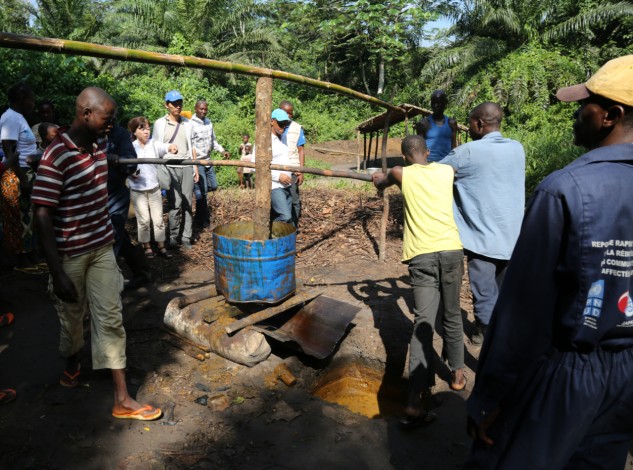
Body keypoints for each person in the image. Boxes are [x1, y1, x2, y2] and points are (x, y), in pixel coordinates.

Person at [465, 55, 633, 470]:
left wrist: (490, 397)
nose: (576, 115)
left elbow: (523, 315)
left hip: (569, 372)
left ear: (610, 115)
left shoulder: (566, 190)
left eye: (585, 105)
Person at [32, 86, 161, 420]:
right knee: (72, 321)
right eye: (107, 117)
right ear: (86, 114)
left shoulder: (101, 145)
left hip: (102, 248)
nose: (111, 124)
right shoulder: (56, 155)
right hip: (71, 255)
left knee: (110, 317)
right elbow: (42, 214)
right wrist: (57, 271)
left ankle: (122, 398)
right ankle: (72, 363)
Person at [372, 134, 465, 429]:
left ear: (404, 157)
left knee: (423, 322)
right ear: (427, 153)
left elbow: (380, 182)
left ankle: (414, 401)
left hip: (422, 256)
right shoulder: (447, 170)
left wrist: (378, 177)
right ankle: (458, 373)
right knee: (451, 313)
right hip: (452, 250)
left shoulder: (400, 173)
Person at [440, 103, 525, 345]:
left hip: (482, 240)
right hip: (512, 237)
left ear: (479, 123)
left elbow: (431, 176)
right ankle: (486, 331)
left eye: (470, 123)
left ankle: (492, 347)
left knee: (485, 295)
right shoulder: (517, 149)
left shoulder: (467, 152)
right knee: (504, 292)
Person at [0, 82, 40, 273]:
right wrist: (23, 180)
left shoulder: (19, 118)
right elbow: (10, 151)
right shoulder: (10, 118)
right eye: (31, 98)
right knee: (18, 217)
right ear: (23, 99)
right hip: (17, 174)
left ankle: (30, 255)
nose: (33, 102)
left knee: (28, 216)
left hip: (25, 172)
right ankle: (21, 260)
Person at [152, 90, 199, 249]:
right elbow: (156, 147)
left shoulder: (188, 123)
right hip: (168, 166)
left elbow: (191, 146)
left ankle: (186, 236)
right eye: (174, 103)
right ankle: (173, 236)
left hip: (185, 165)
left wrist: (195, 167)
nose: (178, 106)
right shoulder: (160, 123)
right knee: (175, 203)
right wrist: (157, 170)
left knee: (187, 203)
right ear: (167, 105)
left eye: (180, 103)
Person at [128, 116, 175, 259]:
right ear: (134, 131)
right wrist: (131, 173)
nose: (146, 132)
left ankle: (161, 246)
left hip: (154, 188)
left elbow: (165, 147)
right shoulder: (131, 147)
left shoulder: (154, 144)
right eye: (142, 129)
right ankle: (146, 246)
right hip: (137, 189)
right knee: (144, 220)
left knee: (158, 219)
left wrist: (171, 147)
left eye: (148, 128)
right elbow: (125, 166)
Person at [190, 99, 229, 228]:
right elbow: (190, 145)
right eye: (201, 109)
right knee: (203, 191)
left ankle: (200, 208)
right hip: (198, 161)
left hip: (208, 159)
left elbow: (213, 141)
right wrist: (194, 163)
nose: (203, 111)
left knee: (214, 185)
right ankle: (202, 220)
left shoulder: (208, 123)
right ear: (196, 108)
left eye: (205, 109)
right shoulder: (190, 124)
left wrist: (222, 150)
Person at [279, 100, 305, 228]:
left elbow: (301, 150)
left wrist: (300, 171)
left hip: (293, 168)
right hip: (278, 170)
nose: (288, 116)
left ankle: (293, 227)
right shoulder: (274, 127)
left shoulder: (297, 128)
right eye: (285, 113)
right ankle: (282, 227)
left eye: (290, 113)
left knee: (294, 200)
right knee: (280, 200)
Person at [416, 90, 458, 162]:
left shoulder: (451, 123)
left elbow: (453, 147)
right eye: (433, 103)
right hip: (429, 164)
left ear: (445, 103)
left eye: (438, 103)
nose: (435, 106)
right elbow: (420, 148)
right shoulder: (423, 124)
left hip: (446, 164)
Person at [270, 108, 293, 224]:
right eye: (281, 123)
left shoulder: (284, 137)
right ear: (272, 121)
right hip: (275, 185)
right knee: (285, 216)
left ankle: (277, 241)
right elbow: (255, 166)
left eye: (286, 124)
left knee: (287, 219)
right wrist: (278, 176)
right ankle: (267, 230)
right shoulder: (266, 140)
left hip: (286, 185)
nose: (283, 127)